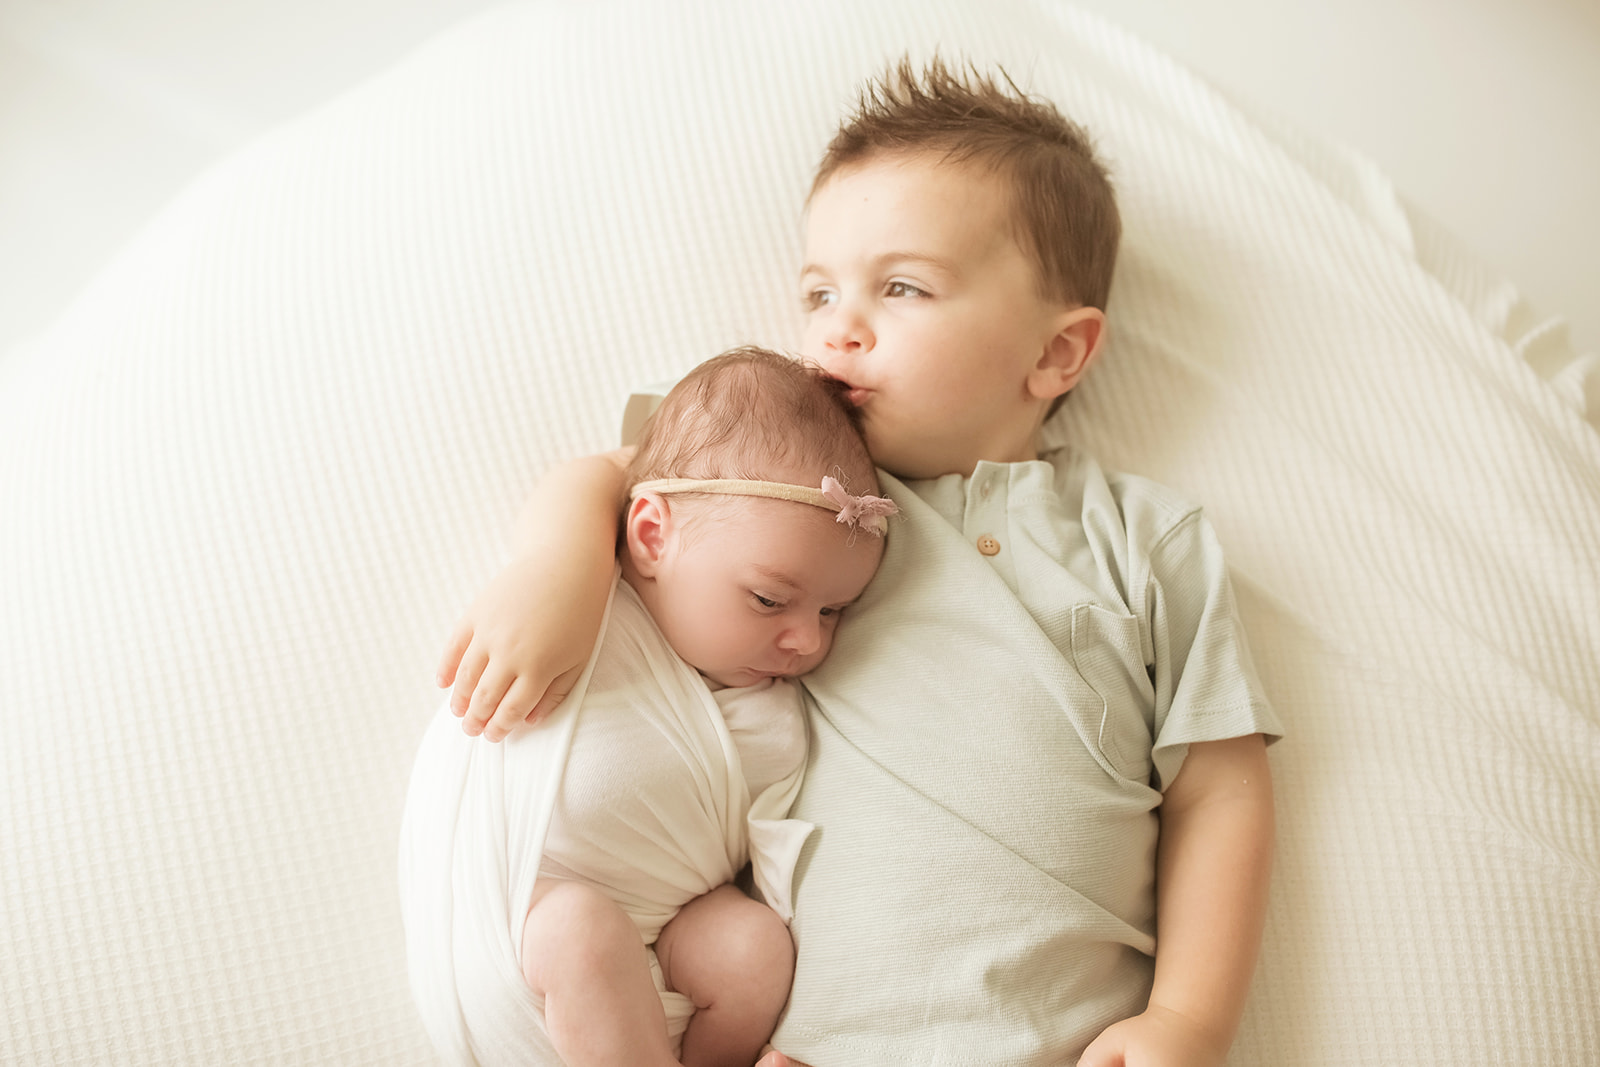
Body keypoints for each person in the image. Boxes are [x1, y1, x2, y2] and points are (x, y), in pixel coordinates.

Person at [435, 58, 1283, 1067]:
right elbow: (619, 481)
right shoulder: (794, 490)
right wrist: (560, 565)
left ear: (1057, 354)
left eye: (901, 286)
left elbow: (1219, 790)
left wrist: (1189, 1017)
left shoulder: (1145, 539)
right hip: (810, 1042)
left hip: (1062, 1039)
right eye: (818, 289)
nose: (838, 323)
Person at [402, 347, 895, 1067]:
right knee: (581, 929)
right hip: (525, 928)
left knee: (755, 948)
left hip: (659, 940)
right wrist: (558, 562)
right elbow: (600, 476)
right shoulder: (589, 599)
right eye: (768, 598)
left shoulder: (775, 711)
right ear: (652, 537)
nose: (805, 639)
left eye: (833, 610)